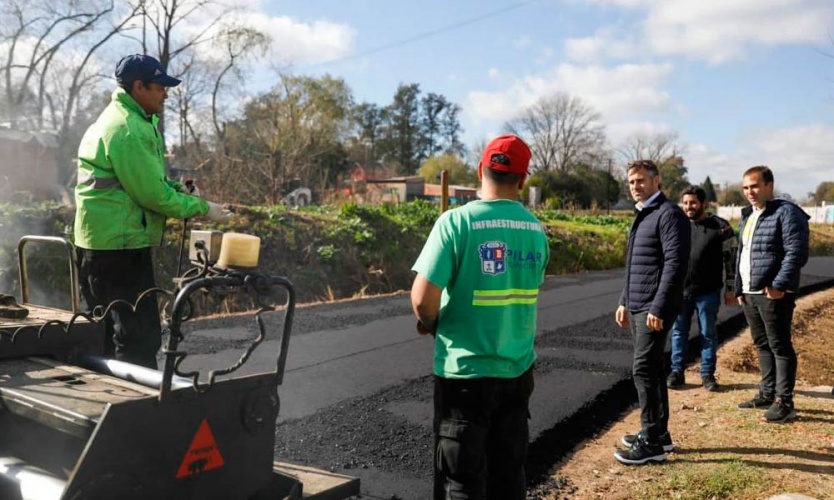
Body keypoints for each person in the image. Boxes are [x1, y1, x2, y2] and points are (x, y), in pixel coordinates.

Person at [410, 134, 549, 500]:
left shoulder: (454, 223)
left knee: (462, 481)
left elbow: (423, 298)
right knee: (508, 476)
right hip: (517, 373)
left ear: (480, 170)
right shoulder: (536, 231)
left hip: (465, 376)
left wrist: (434, 321)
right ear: (523, 179)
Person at [74, 54, 230, 369]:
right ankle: (137, 411)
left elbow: (147, 182)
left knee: (101, 333)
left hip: (100, 245)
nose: (165, 94)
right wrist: (203, 208)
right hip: (119, 248)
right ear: (138, 86)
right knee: (139, 338)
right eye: (159, 87)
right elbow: (152, 196)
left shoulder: (119, 119)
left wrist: (179, 190)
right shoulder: (129, 129)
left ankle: (106, 404)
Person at [614, 160, 689, 465]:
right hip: (637, 304)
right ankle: (660, 433)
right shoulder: (643, 213)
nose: (635, 186)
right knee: (655, 370)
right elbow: (634, 264)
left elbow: (674, 264)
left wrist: (658, 306)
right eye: (631, 181)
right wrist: (623, 300)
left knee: (643, 369)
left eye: (641, 180)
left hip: (653, 307)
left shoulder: (669, 214)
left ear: (657, 181)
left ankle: (650, 443)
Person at [735, 166, 809, 423]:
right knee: (762, 344)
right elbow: (742, 254)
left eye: (754, 186)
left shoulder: (787, 213)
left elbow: (796, 253)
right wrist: (739, 287)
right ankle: (767, 393)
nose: (750, 192)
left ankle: (785, 402)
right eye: (745, 188)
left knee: (779, 345)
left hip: (773, 293)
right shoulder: (748, 216)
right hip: (750, 292)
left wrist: (779, 284)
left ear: (769, 185)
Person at [667, 185, 737, 392]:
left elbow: (731, 260)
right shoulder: (677, 225)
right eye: (685, 203)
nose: (689, 207)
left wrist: (731, 289)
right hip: (681, 292)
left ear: (703, 204)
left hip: (708, 292)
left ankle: (707, 374)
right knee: (679, 332)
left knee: (708, 333)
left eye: (693, 203)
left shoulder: (721, 227)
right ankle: (677, 371)